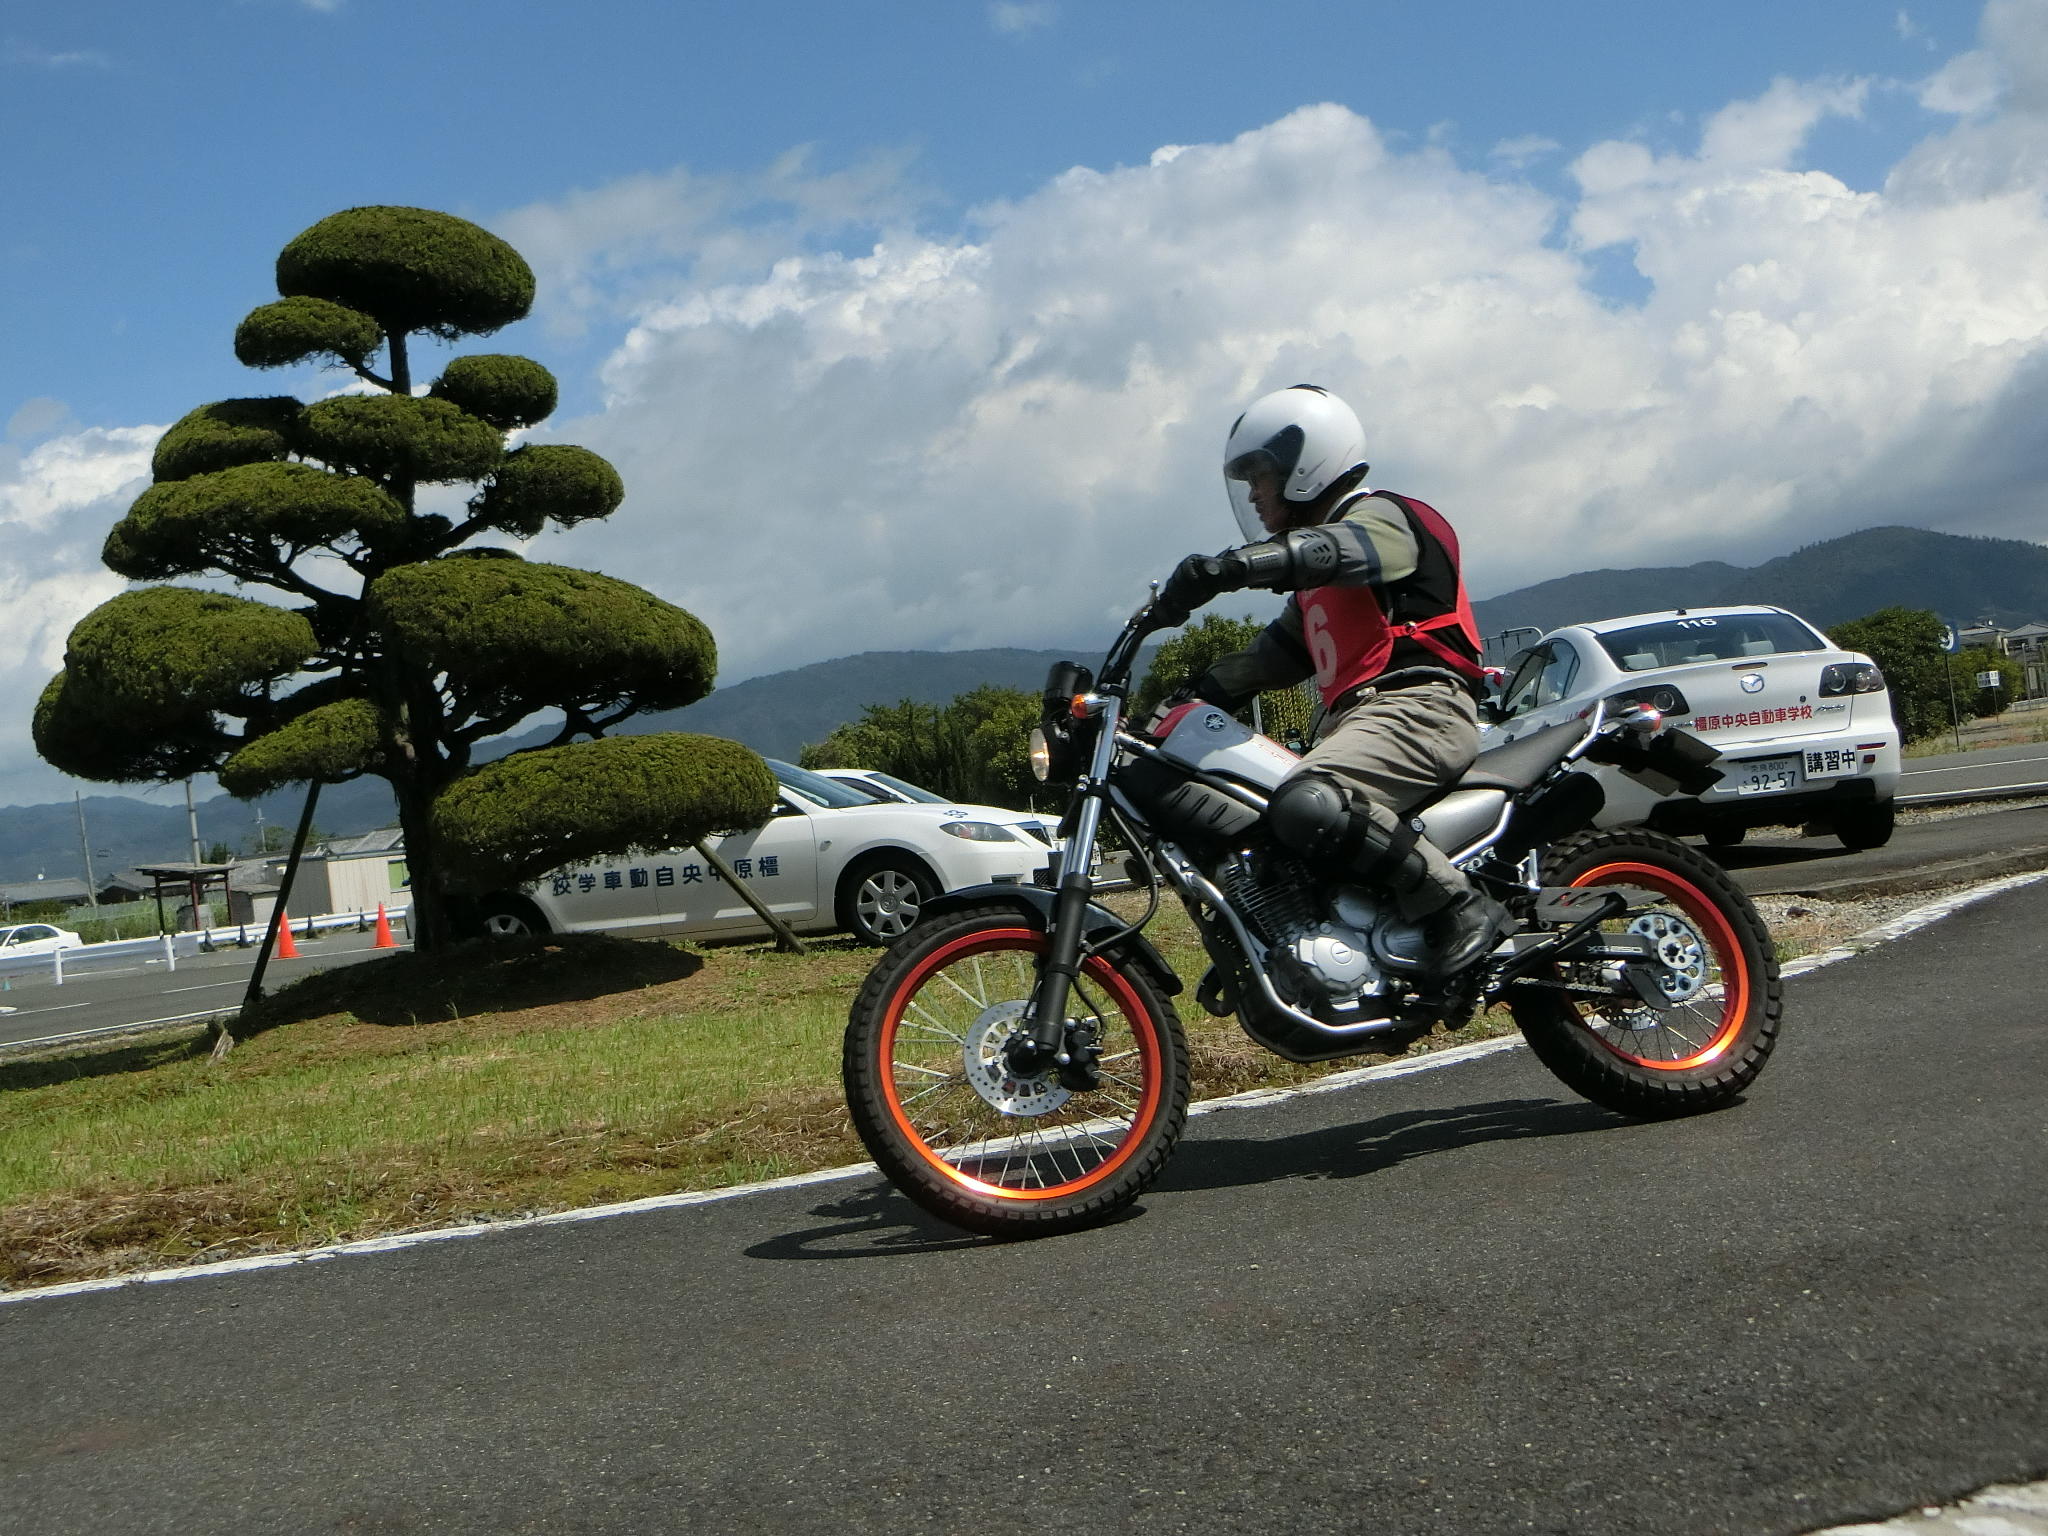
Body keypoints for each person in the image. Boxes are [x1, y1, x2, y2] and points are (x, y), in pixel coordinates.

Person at [1152, 383, 1510, 977]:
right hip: (1362, 722)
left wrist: (1237, 566)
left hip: (1421, 708)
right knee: (1264, 812)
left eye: (1260, 476)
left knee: (1311, 799)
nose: (1254, 495)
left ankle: (1460, 906)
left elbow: (1340, 548)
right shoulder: (1317, 587)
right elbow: (1273, 656)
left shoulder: (1386, 518)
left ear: (1304, 467)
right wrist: (1195, 693)